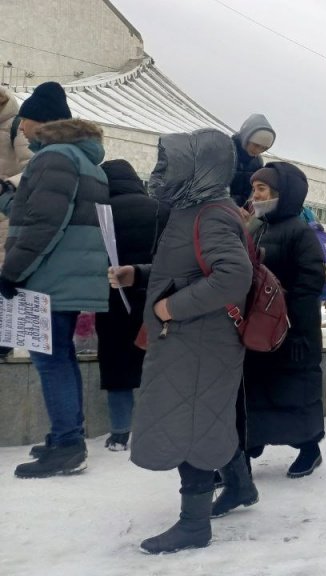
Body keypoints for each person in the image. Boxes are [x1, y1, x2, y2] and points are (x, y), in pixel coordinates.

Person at [108, 128, 253, 554]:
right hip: (194, 340)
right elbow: (188, 267)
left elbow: (233, 275)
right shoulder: (195, 209)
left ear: (197, 167)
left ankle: (194, 524)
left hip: (198, 341)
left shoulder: (212, 213)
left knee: (189, 426)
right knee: (207, 418)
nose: (160, 172)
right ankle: (241, 487)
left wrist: (172, 309)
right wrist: (139, 273)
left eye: (169, 163)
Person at [0, 82, 110, 479]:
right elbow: (40, 209)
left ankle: (67, 444)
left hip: (49, 276)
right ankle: (67, 434)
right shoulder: (82, 159)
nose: (19, 128)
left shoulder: (55, 158)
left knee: (51, 361)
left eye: (22, 120)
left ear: (35, 120)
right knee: (60, 356)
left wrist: (12, 271)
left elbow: (45, 222)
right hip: (67, 275)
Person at [240, 162, 326, 479]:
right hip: (260, 327)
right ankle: (249, 449)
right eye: (254, 188)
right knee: (257, 389)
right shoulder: (258, 226)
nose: (255, 194)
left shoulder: (300, 232)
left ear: (281, 193)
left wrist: (295, 326)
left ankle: (309, 448)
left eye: (261, 188)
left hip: (291, 329)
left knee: (295, 391)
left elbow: (310, 283)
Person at [94, 159, 169, 451]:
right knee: (155, 363)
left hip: (112, 296)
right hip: (156, 296)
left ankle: (120, 432)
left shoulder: (100, 213)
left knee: (116, 363)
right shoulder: (162, 210)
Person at [0, 86, 33, 363]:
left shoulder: (16, 126)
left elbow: (34, 167)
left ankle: (3, 343)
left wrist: (5, 187)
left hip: (4, 219)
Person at [229, 113, 276, 207]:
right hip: (213, 210)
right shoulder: (224, 152)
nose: (258, 151)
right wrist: (230, 207)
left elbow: (252, 192)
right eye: (256, 145)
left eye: (264, 148)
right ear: (246, 138)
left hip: (238, 213)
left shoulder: (257, 162)